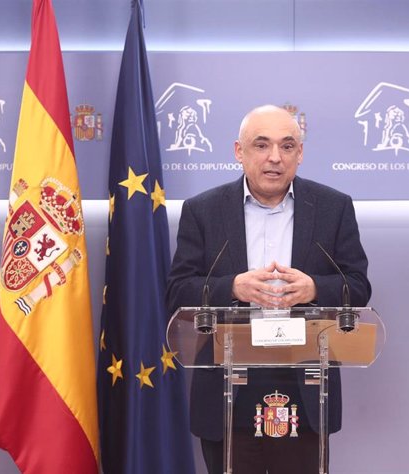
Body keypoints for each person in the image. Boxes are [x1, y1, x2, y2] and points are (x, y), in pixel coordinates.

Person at [166, 105, 371, 473]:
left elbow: (357, 287)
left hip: (306, 383)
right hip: (229, 384)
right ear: (238, 152)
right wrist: (232, 286)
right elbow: (178, 291)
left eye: (287, 146)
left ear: (300, 153)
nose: (275, 157)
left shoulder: (333, 208)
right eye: (261, 145)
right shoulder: (203, 211)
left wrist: (313, 288)